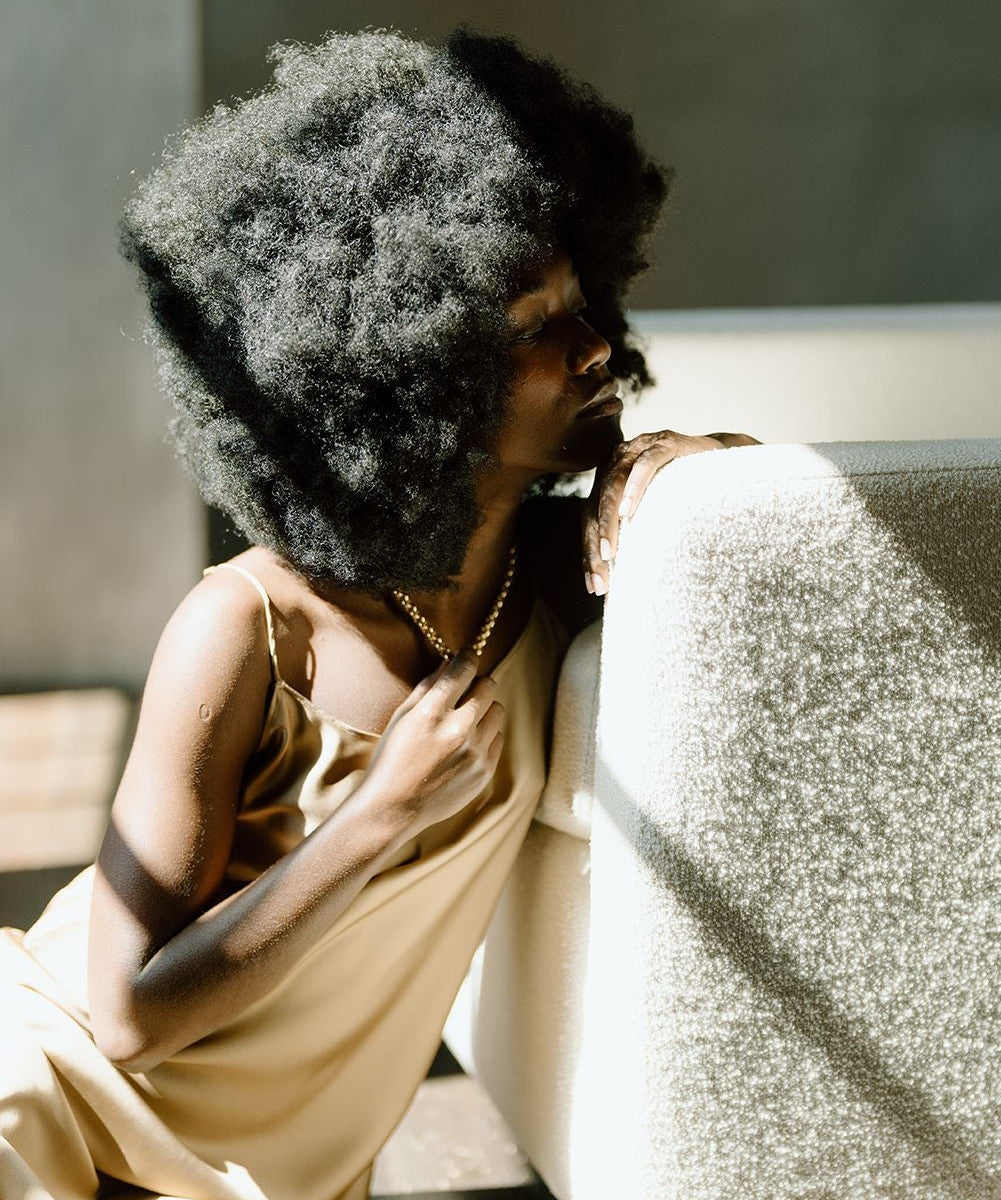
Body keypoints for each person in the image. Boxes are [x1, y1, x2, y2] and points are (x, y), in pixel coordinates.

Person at [0, 26, 758, 1200]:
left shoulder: (550, 577)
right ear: (407, 376)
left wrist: (675, 458)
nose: (596, 346)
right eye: (533, 327)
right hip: (52, 1105)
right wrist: (380, 812)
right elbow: (129, 1017)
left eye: (583, 302)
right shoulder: (250, 627)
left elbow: (763, 532)